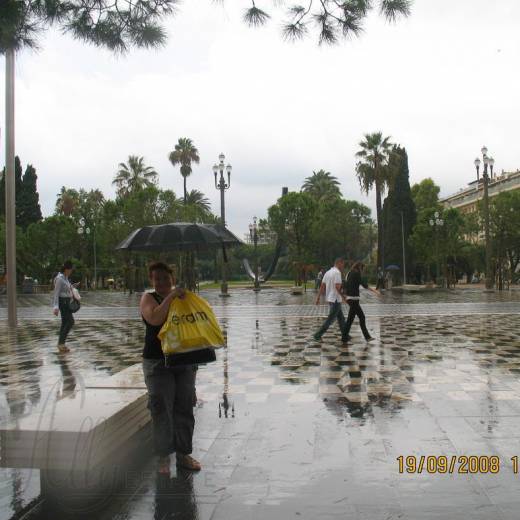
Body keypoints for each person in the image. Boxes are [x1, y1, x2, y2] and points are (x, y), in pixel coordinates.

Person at [140, 261, 202, 474]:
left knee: (184, 407)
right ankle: (163, 457)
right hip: (157, 363)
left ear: (172, 279)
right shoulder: (148, 298)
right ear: (152, 280)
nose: (161, 282)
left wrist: (183, 298)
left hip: (183, 360)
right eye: (157, 279)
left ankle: (184, 454)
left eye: (165, 278)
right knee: (161, 409)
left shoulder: (182, 299)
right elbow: (155, 319)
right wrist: (171, 297)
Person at [313, 258, 349, 343]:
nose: (343, 266)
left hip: (330, 299)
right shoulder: (337, 273)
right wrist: (344, 297)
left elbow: (322, 286)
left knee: (341, 318)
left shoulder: (328, 272)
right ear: (339, 263)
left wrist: (318, 298)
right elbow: (337, 287)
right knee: (330, 319)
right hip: (336, 299)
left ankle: (345, 334)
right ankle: (317, 334)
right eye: (343, 264)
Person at [343, 261, 379, 342]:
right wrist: (375, 291)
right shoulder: (356, 273)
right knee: (360, 317)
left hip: (350, 298)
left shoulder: (349, 273)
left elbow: (345, 284)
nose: (362, 270)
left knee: (351, 319)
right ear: (359, 267)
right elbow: (364, 284)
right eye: (362, 268)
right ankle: (366, 337)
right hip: (354, 299)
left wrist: (345, 296)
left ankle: (345, 337)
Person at [52, 260, 78, 353]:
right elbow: (56, 293)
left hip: (67, 302)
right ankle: (61, 343)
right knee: (70, 322)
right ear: (66, 269)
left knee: (64, 323)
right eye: (70, 270)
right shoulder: (59, 278)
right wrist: (55, 307)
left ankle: (61, 344)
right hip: (63, 303)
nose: (71, 272)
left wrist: (73, 286)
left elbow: (67, 288)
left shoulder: (66, 278)